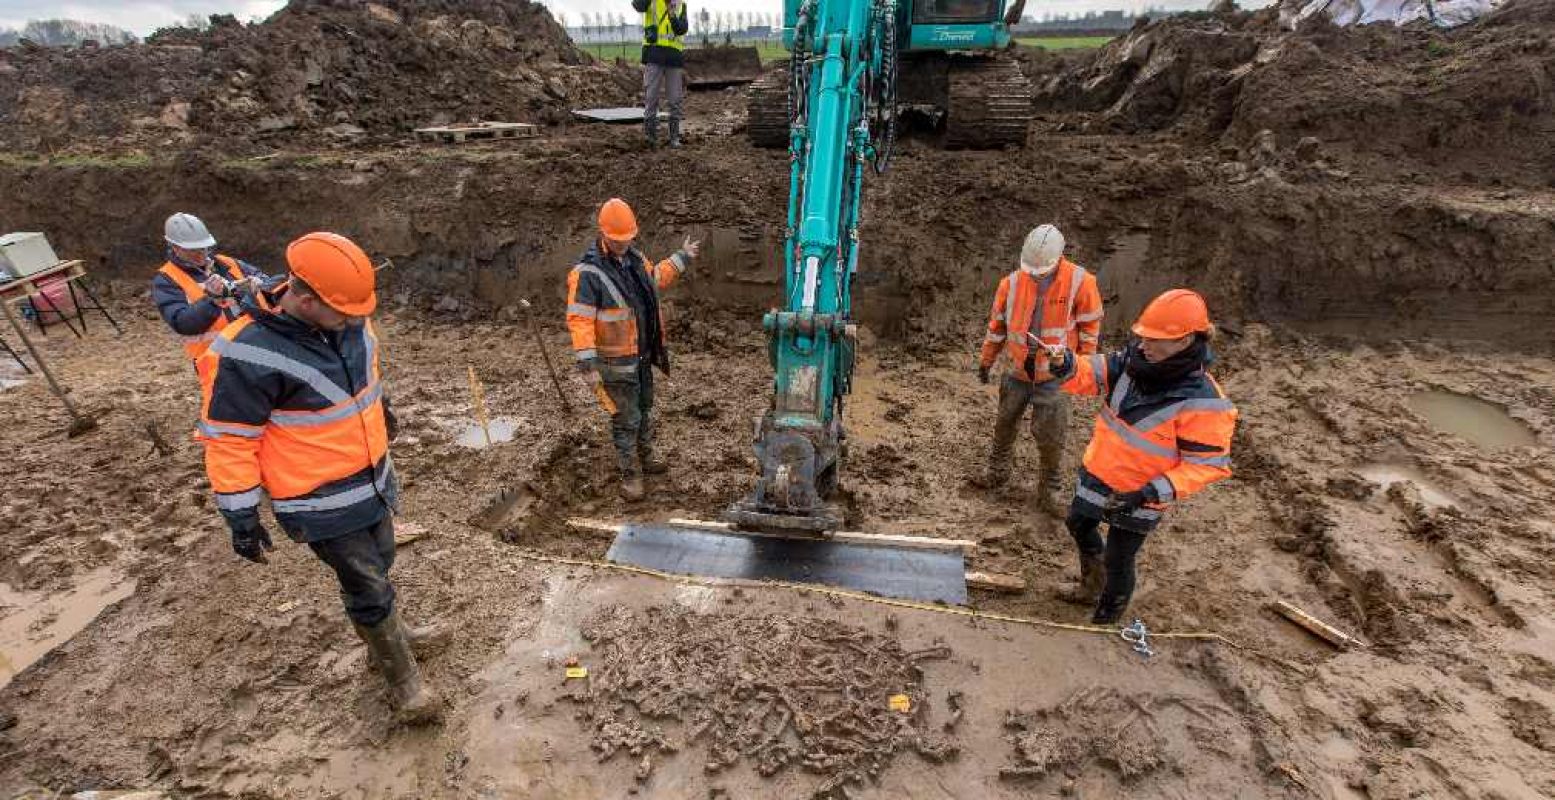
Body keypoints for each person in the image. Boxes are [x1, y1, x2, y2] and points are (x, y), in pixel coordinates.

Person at [196, 231, 444, 723]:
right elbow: (230, 439)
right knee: (365, 583)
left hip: (372, 477)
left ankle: (391, 634)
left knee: (381, 561)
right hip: (320, 500)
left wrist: (383, 412)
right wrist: (240, 513)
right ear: (305, 299)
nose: (355, 319)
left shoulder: (348, 315)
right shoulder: (245, 351)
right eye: (344, 313)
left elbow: (367, 377)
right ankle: (402, 681)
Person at [1047, 288, 1238, 624]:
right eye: (1143, 337)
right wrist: (1066, 364)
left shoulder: (1206, 403)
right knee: (1078, 522)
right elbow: (1092, 373)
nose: (1144, 345)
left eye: (1155, 341)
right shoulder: (1134, 362)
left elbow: (1204, 466)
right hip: (1100, 472)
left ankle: (1106, 616)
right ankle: (1091, 587)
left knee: (1119, 559)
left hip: (1141, 494)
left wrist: (1149, 493)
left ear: (1185, 341)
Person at [565, 198, 700, 500]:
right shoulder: (587, 273)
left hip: (640, 356)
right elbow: (579, 320)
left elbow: (655, 280)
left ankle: (646, 456)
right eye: (617, 240)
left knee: (643, 409)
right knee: (626, 420)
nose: (623, 244)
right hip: (615, 363)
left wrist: (681, 258)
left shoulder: (634, 259)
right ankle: (630, 476)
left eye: (627, 239)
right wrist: (587, 366)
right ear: (604, 234)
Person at [973, 224, 1103, 510]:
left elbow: (1089, 328)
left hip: (1055, 375)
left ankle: (1049, 489)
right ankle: (997, 473)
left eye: (1040, 270)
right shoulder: (1012, 283)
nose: (1034, 274)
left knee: (1050, 435)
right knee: (1004, 423)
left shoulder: (1081, 282)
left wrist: (1082, 369)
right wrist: (987, 360)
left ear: (1058, 259)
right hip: (1017, 370)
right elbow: (997, 327)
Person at [150, 212, 274, 364]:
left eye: (204, 248)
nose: (201, 254)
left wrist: (262, 285)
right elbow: (183, 323)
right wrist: (212, 300)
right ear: (175, 247)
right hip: (214, 362)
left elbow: (271, 285)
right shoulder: (167, 279)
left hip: (257, 350)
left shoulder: (227, 264)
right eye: (193, 250)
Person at [631, 0, 689, 147]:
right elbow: (638, 5)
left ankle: (674, 138)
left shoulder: (681, 3)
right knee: (651, 98)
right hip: (654, 55)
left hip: (674, 58)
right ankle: (650, 137)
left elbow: (682, 29)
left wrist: (672, 14)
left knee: (675, 99)